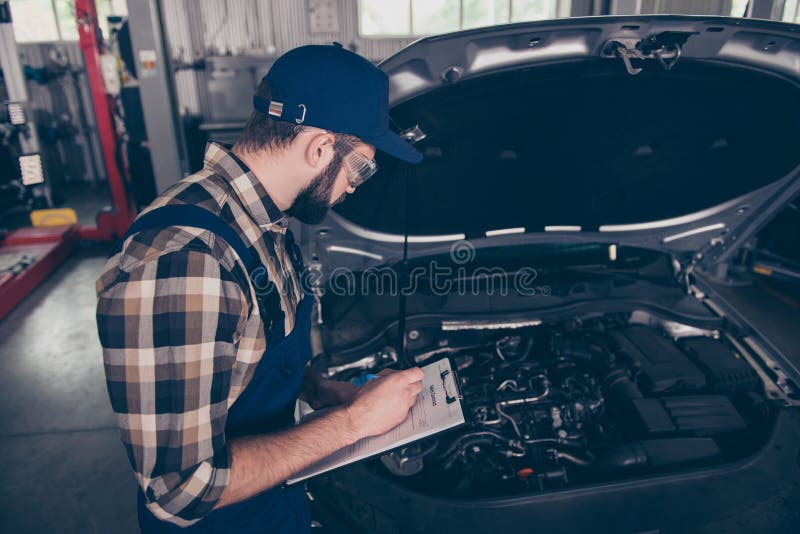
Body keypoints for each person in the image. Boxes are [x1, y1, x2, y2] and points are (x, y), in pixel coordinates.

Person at [96, 42, 424, 533]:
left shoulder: (259, 222)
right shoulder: (188, 260)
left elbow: (245, 362)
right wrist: (355, 424)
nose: (356, 186)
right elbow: (181, 490)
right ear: (320, 148)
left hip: (277, 507)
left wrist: (325, 392)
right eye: (361, 167)